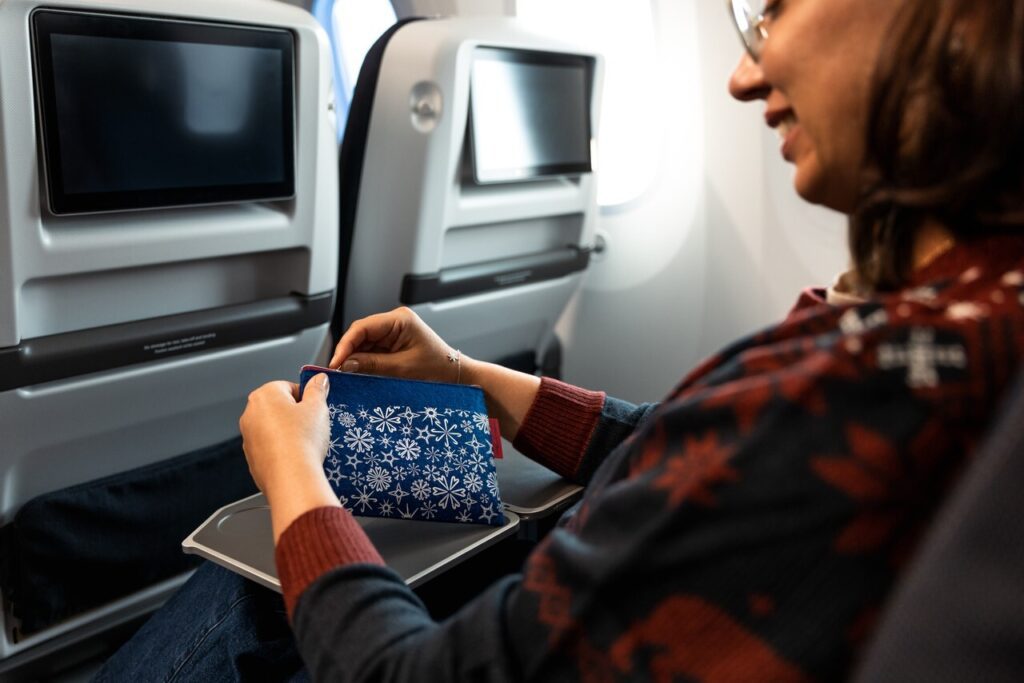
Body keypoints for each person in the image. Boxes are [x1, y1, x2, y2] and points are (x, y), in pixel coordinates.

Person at [95, 0, 1024, 680]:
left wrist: (294, 477)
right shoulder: (962, 318)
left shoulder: (851, 391)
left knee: (250, 587)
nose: (746, 73)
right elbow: (684, 443)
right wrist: (465, 373)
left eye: (776, 9)